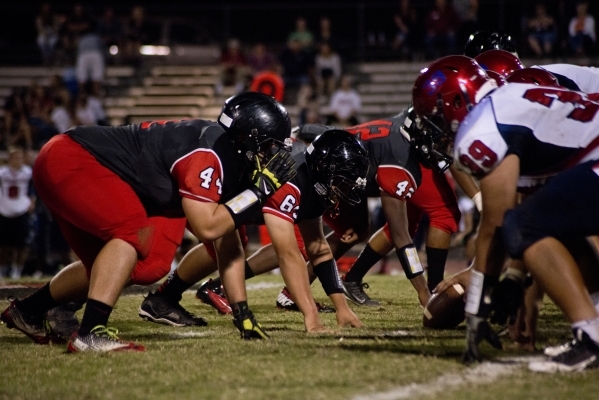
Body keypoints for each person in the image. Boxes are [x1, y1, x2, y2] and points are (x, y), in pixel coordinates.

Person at [0, 92, 297, 351]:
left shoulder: (229, 158)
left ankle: (29, 310)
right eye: (268, 148)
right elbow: (208, 226)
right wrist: (258, 193)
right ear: (245, 138)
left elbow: (227, 243)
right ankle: (90, 334)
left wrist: (242, 315)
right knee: (131, 237)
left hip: (94, 172)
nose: (270, 157)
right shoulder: (209, 152)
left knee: (147, 264)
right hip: (71, 158)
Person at [412, 55, 599, 372]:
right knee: (552, 226)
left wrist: (476, 308)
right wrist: (512, 277)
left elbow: (497, 223)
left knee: (522, 224)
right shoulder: (511, 99)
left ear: (457, 100)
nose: (436, 130)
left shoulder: (482, 125)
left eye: (435, 119)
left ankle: (591, 337)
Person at [137, 129, 368, 332]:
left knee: (229, 244)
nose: (345, 190)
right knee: (159, 264)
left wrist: (342, 308)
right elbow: (287, 255)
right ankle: (142, 299)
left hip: (232, 199)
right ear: (324, 170)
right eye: (343, 182)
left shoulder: (313, 183)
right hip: (203, 186)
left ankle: (164, 299)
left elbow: (318, 249)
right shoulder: (293, 181)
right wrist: (312, 318)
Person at [0, 147, 35, 279]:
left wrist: (32, 201)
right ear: (9, 159)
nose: (18, 160)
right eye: (15, 157)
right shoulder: (2, 173)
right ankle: (2, 269)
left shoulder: (28, 172)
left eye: (20, 157)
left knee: (21, 244)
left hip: (21, 209)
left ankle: (17, 270)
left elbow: (33, 188)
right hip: (4, 210)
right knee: (3, 244)